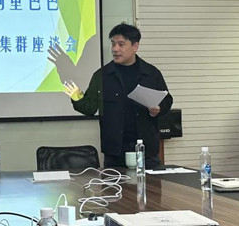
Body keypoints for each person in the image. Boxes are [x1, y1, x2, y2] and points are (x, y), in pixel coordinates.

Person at [62, 23, 173, 168]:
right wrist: (77, 96)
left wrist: (158, 109)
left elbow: (166, 100)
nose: (115, 49)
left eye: (121, 44)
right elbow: (90, 108)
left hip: (146, 151)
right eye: (113, 44)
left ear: (135, 46)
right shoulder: (103, 75)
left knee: (150, 183)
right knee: (115, 183)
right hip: (115, 153)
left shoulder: (151, 73)